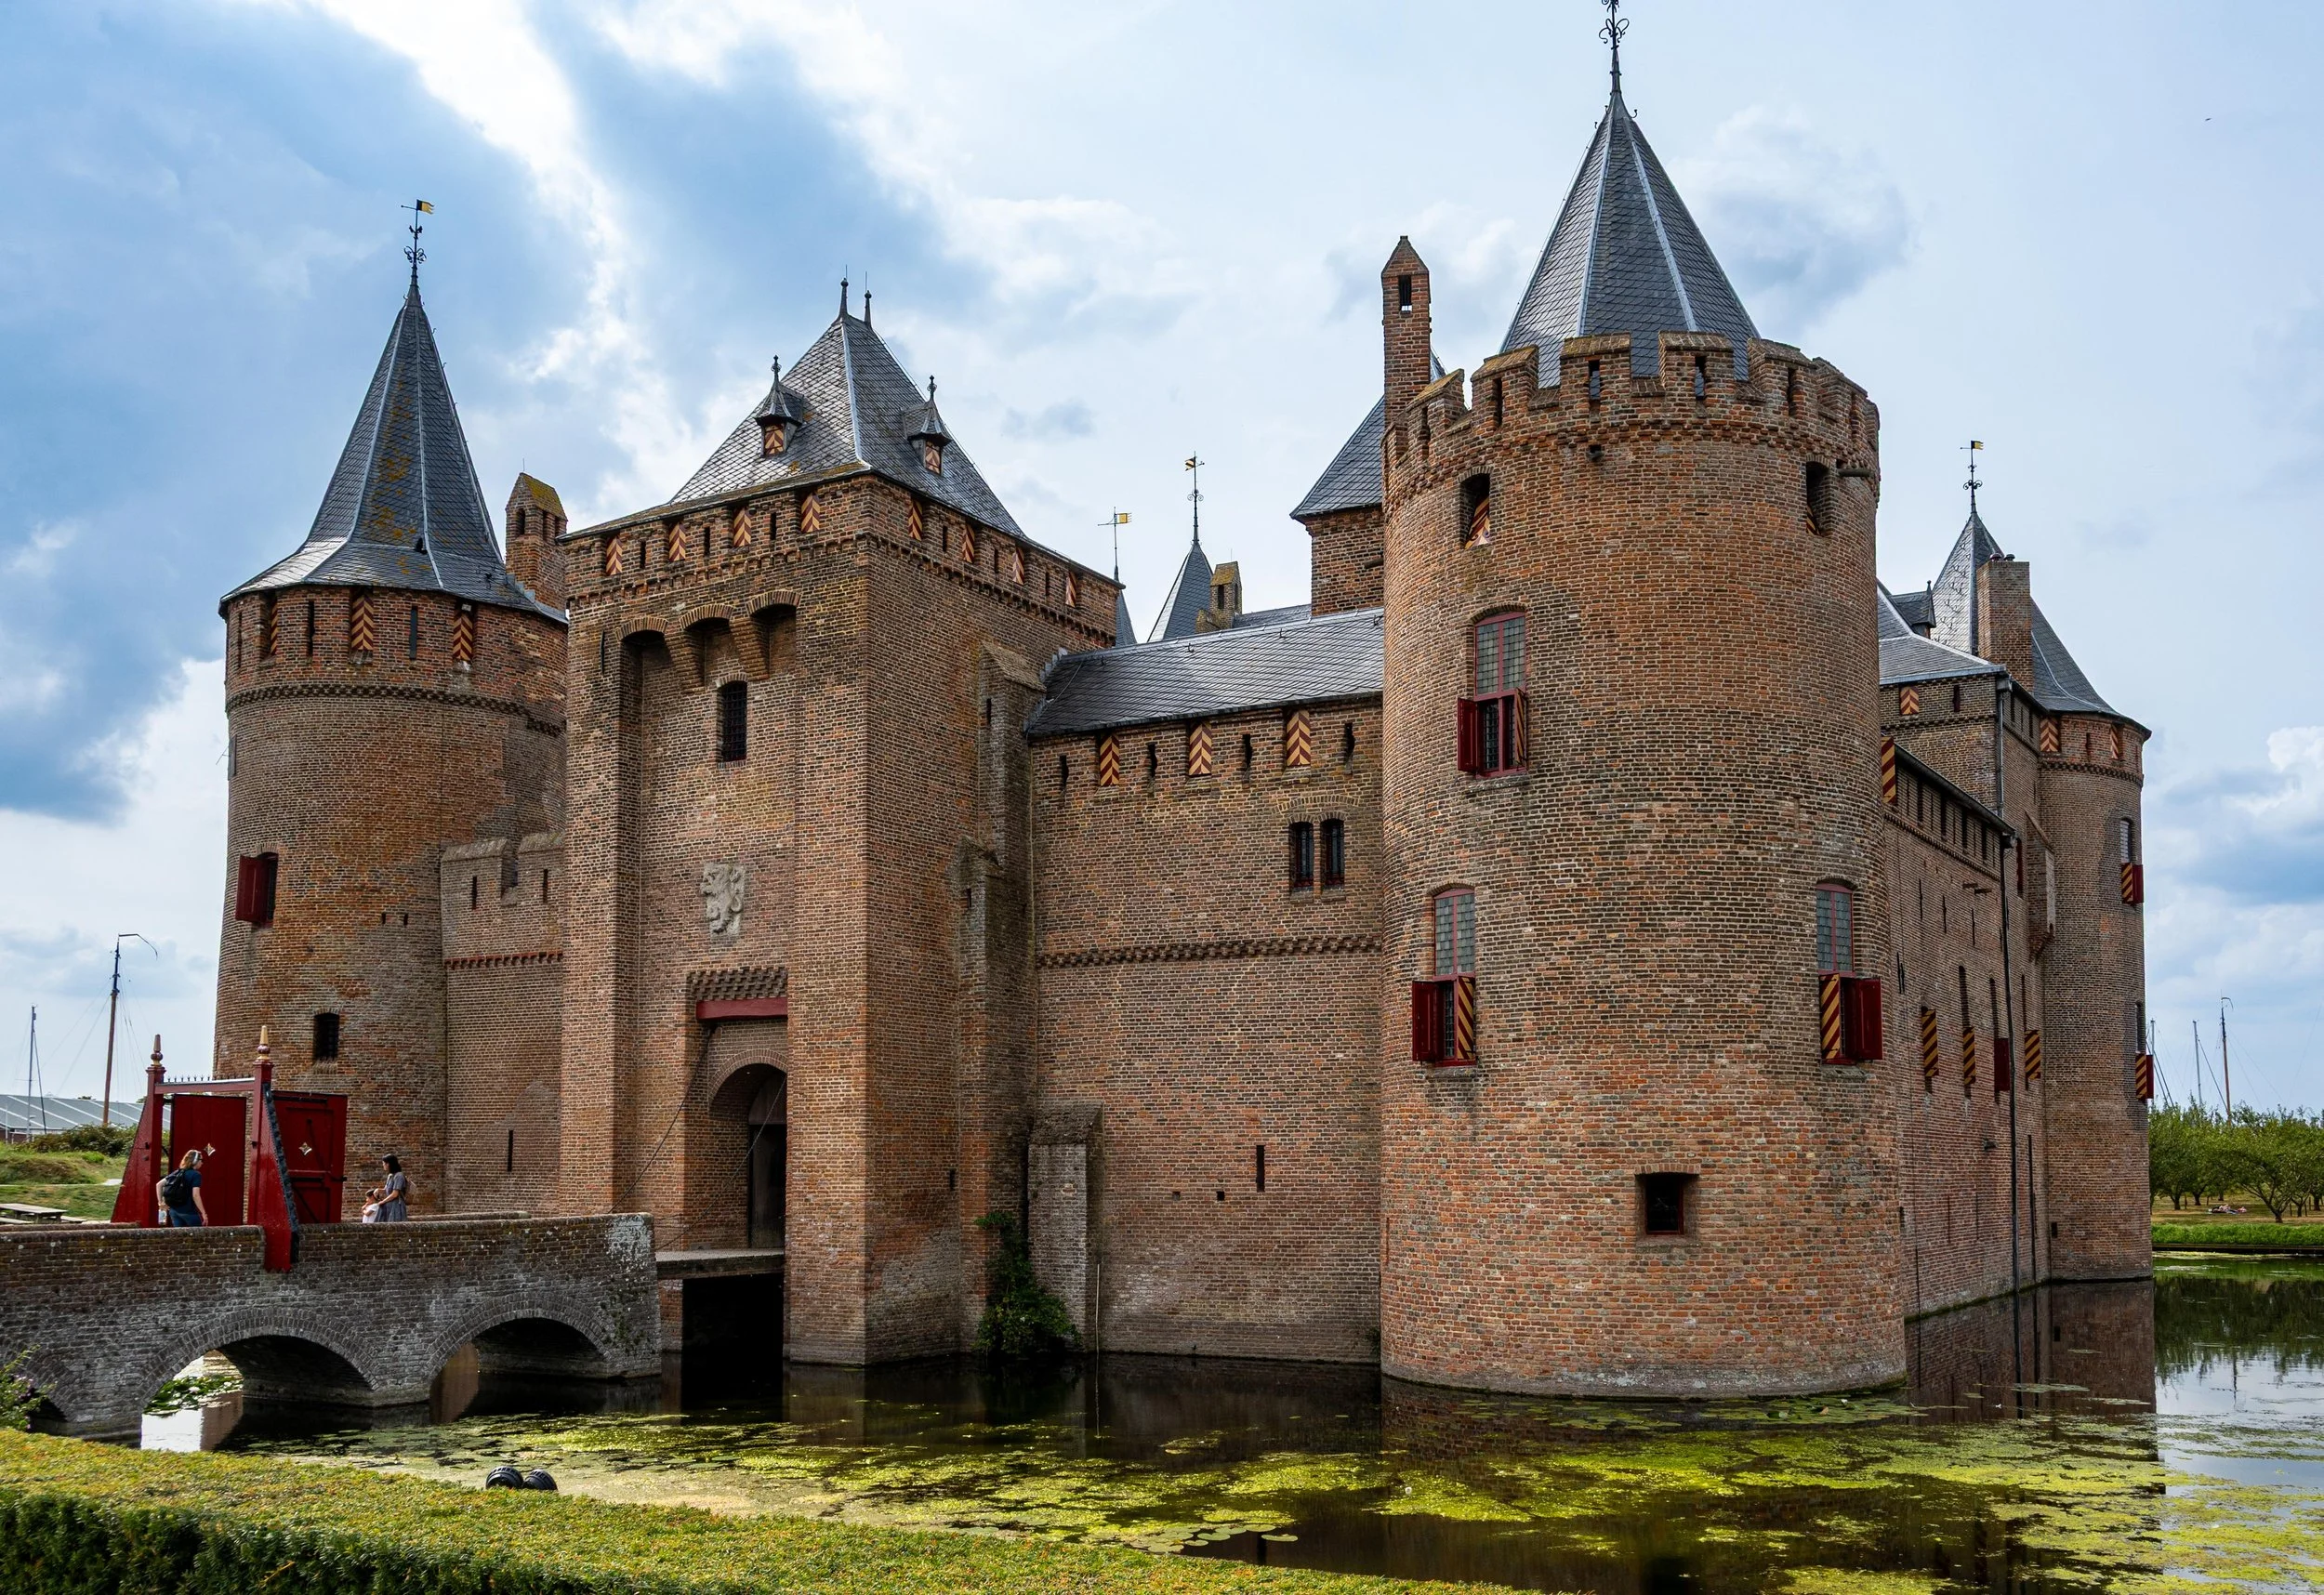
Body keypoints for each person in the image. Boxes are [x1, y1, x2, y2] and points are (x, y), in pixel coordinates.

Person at [157, 1149, 207, 1228]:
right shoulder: (196, 1175)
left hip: (174, 1211)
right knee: (197, 1237)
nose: (202, 1162)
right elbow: (196, 1195)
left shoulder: (177, 1172)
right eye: (201, 1160)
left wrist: (160, 1203)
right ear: (195, 1161)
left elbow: (159, 1185)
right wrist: (204, 1213)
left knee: (179, 1237)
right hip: (189, 1212)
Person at [368, 1154, 411, 1222]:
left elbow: (395, 1194)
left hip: (396, 1206)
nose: (383, 1165)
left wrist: (383, 1201)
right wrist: (378, 1190)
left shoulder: (399, 1176)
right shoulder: (390, 1176)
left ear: (388, 1164)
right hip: (389, 1205)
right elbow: (387, 1190)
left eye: (384, 1163)